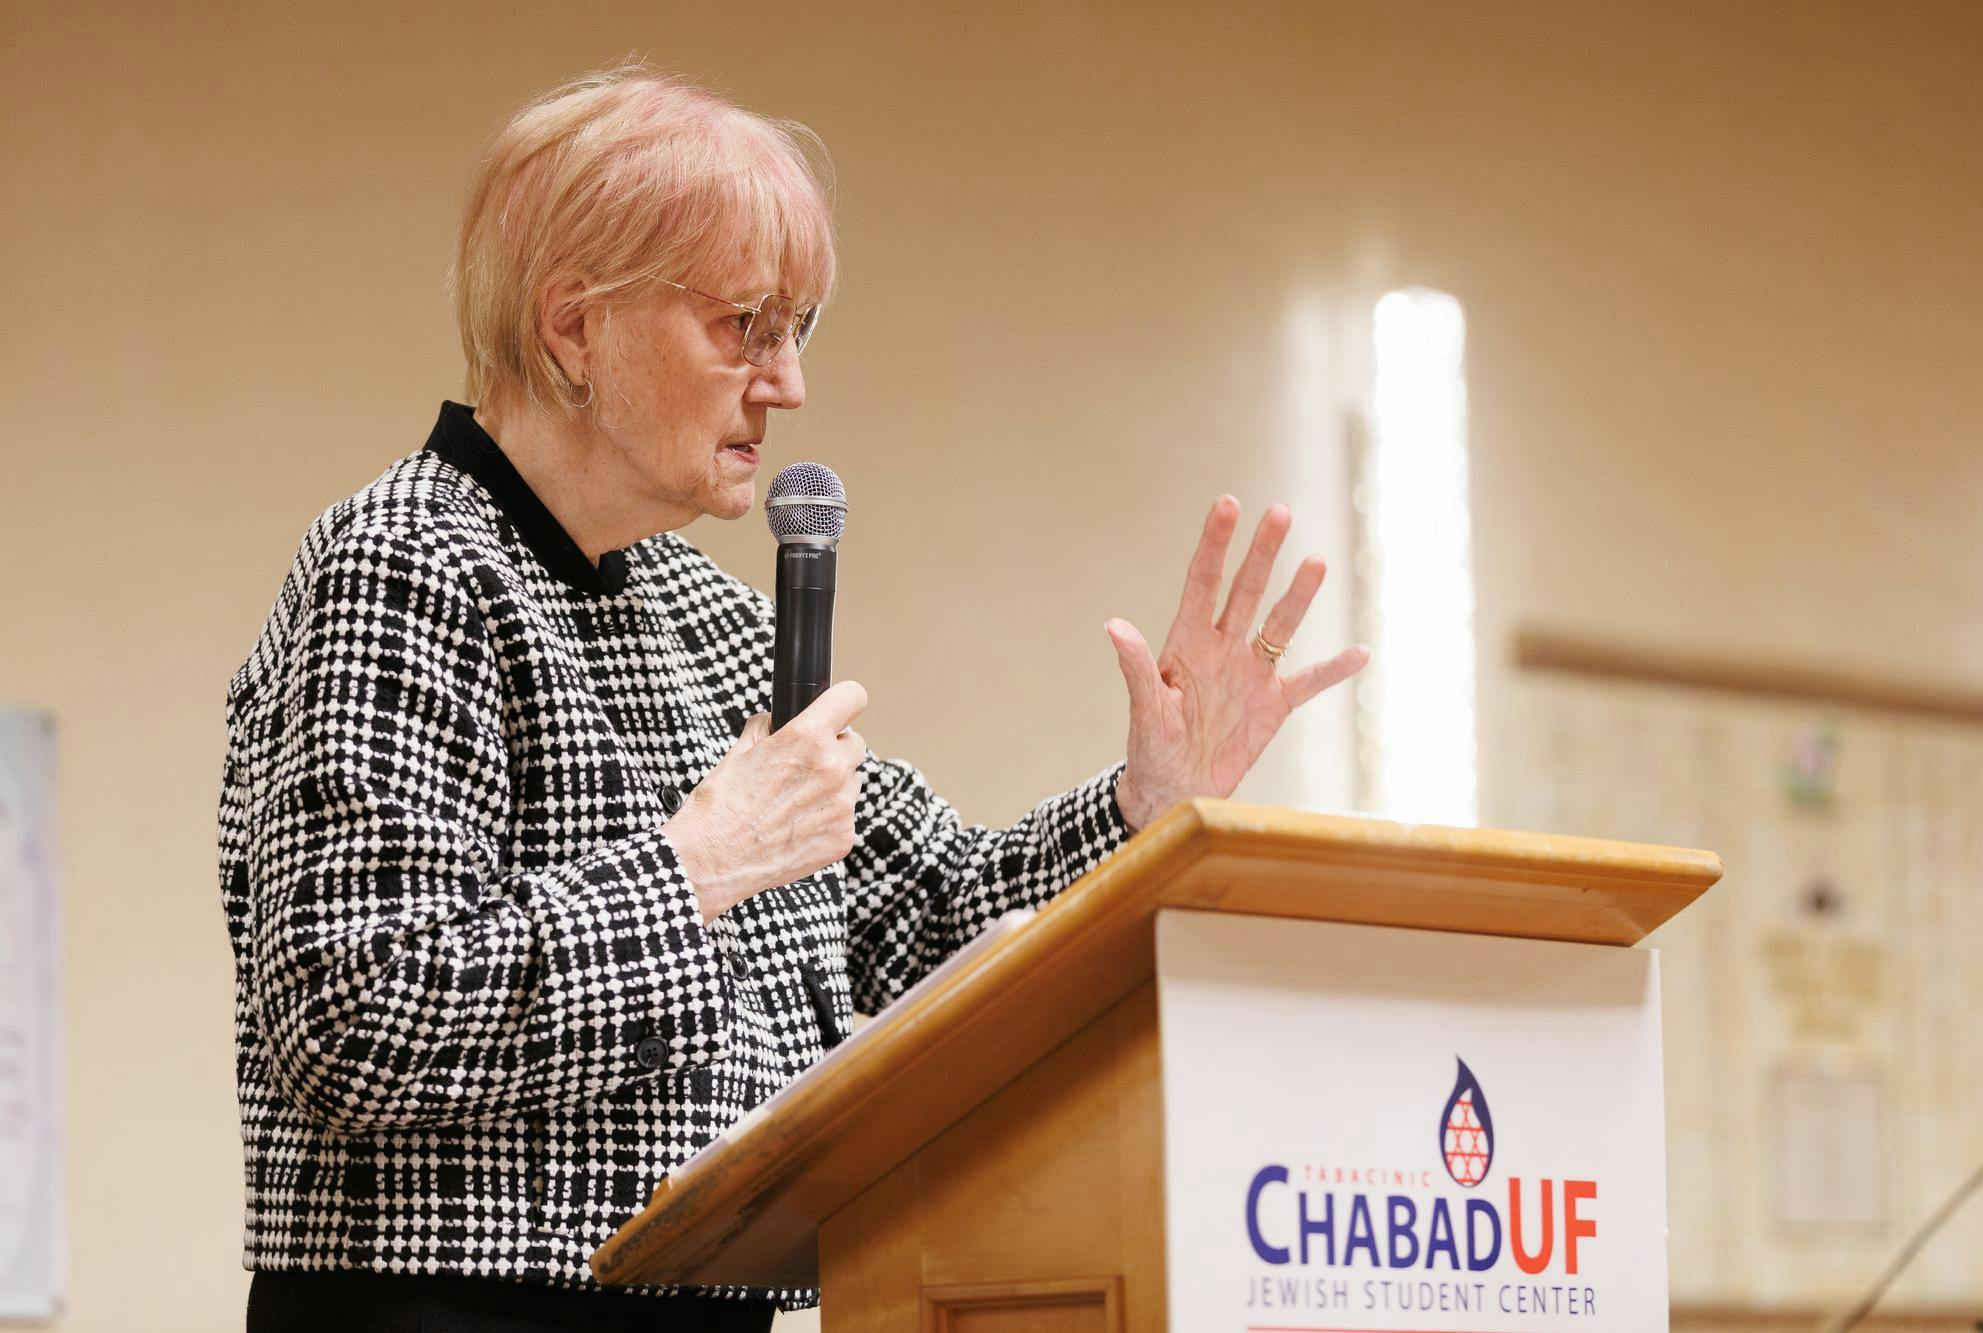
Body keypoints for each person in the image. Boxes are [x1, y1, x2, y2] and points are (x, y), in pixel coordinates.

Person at [217, 64, 1367, 1333]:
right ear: (573, 327)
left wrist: (1145, 811)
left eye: (798, 330)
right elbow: (354, 1008)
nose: (787, 384)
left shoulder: (714, 618)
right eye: (745, 326)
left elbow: (926, 914)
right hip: (446, 1309)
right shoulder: (406, 562)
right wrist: (694, 865)